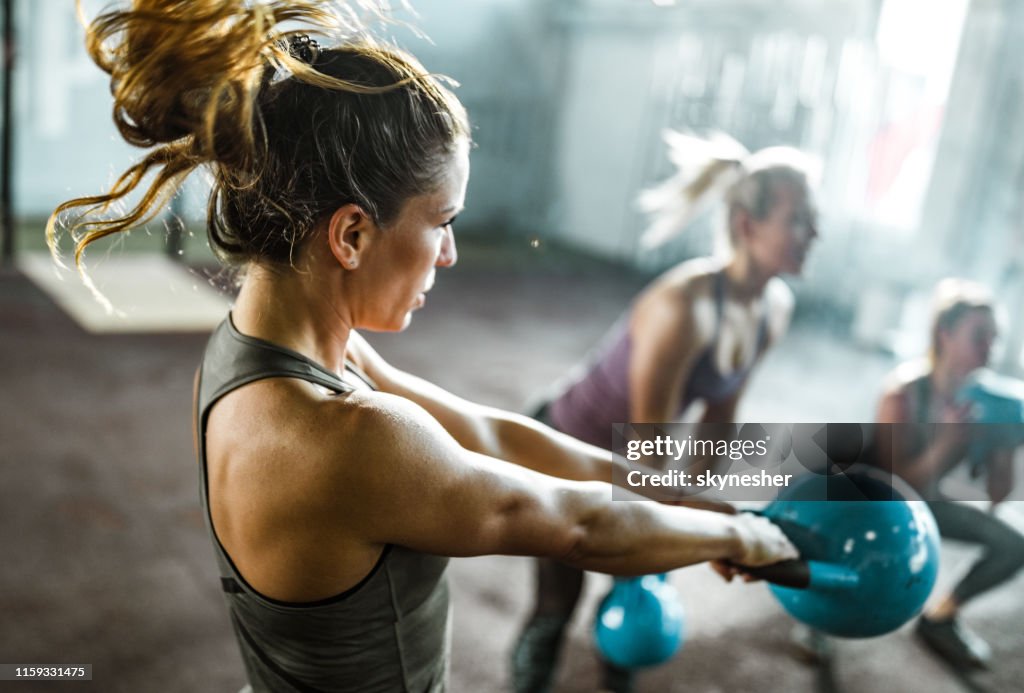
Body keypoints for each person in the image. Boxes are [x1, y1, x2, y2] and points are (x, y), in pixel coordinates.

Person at [47, 2, 799, 692]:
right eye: (441, 220)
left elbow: (492, 434)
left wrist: (691, 497)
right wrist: (741, 535)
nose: (449, 254)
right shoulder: (350, 438)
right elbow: (578, 525)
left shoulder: (259, 353)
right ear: (350, 233)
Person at [512, 131, 820, 693]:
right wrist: (681, 522)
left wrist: (686, 517)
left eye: (813, 217)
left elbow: (720, 417)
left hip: (636, 455)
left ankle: (616, 676)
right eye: (798, 219)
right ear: (748, 226)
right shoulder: (685, 305)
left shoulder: (773, 306)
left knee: (635, 591)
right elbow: (645, 445)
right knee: (559, 601)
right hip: (569, 444)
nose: (814, 233)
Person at [875, 278, 1024, 670]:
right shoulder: (902, 394)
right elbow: (893, 484)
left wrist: (1006, 444)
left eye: (995, 338)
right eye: (980, 336)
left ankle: (940, 617)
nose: (989, 348)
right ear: (945, 333)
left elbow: (997, 496)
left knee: (1016, 542)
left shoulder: (986, 402)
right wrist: (945, 444)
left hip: (932, 503)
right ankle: (819, 624)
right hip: (880, 506)